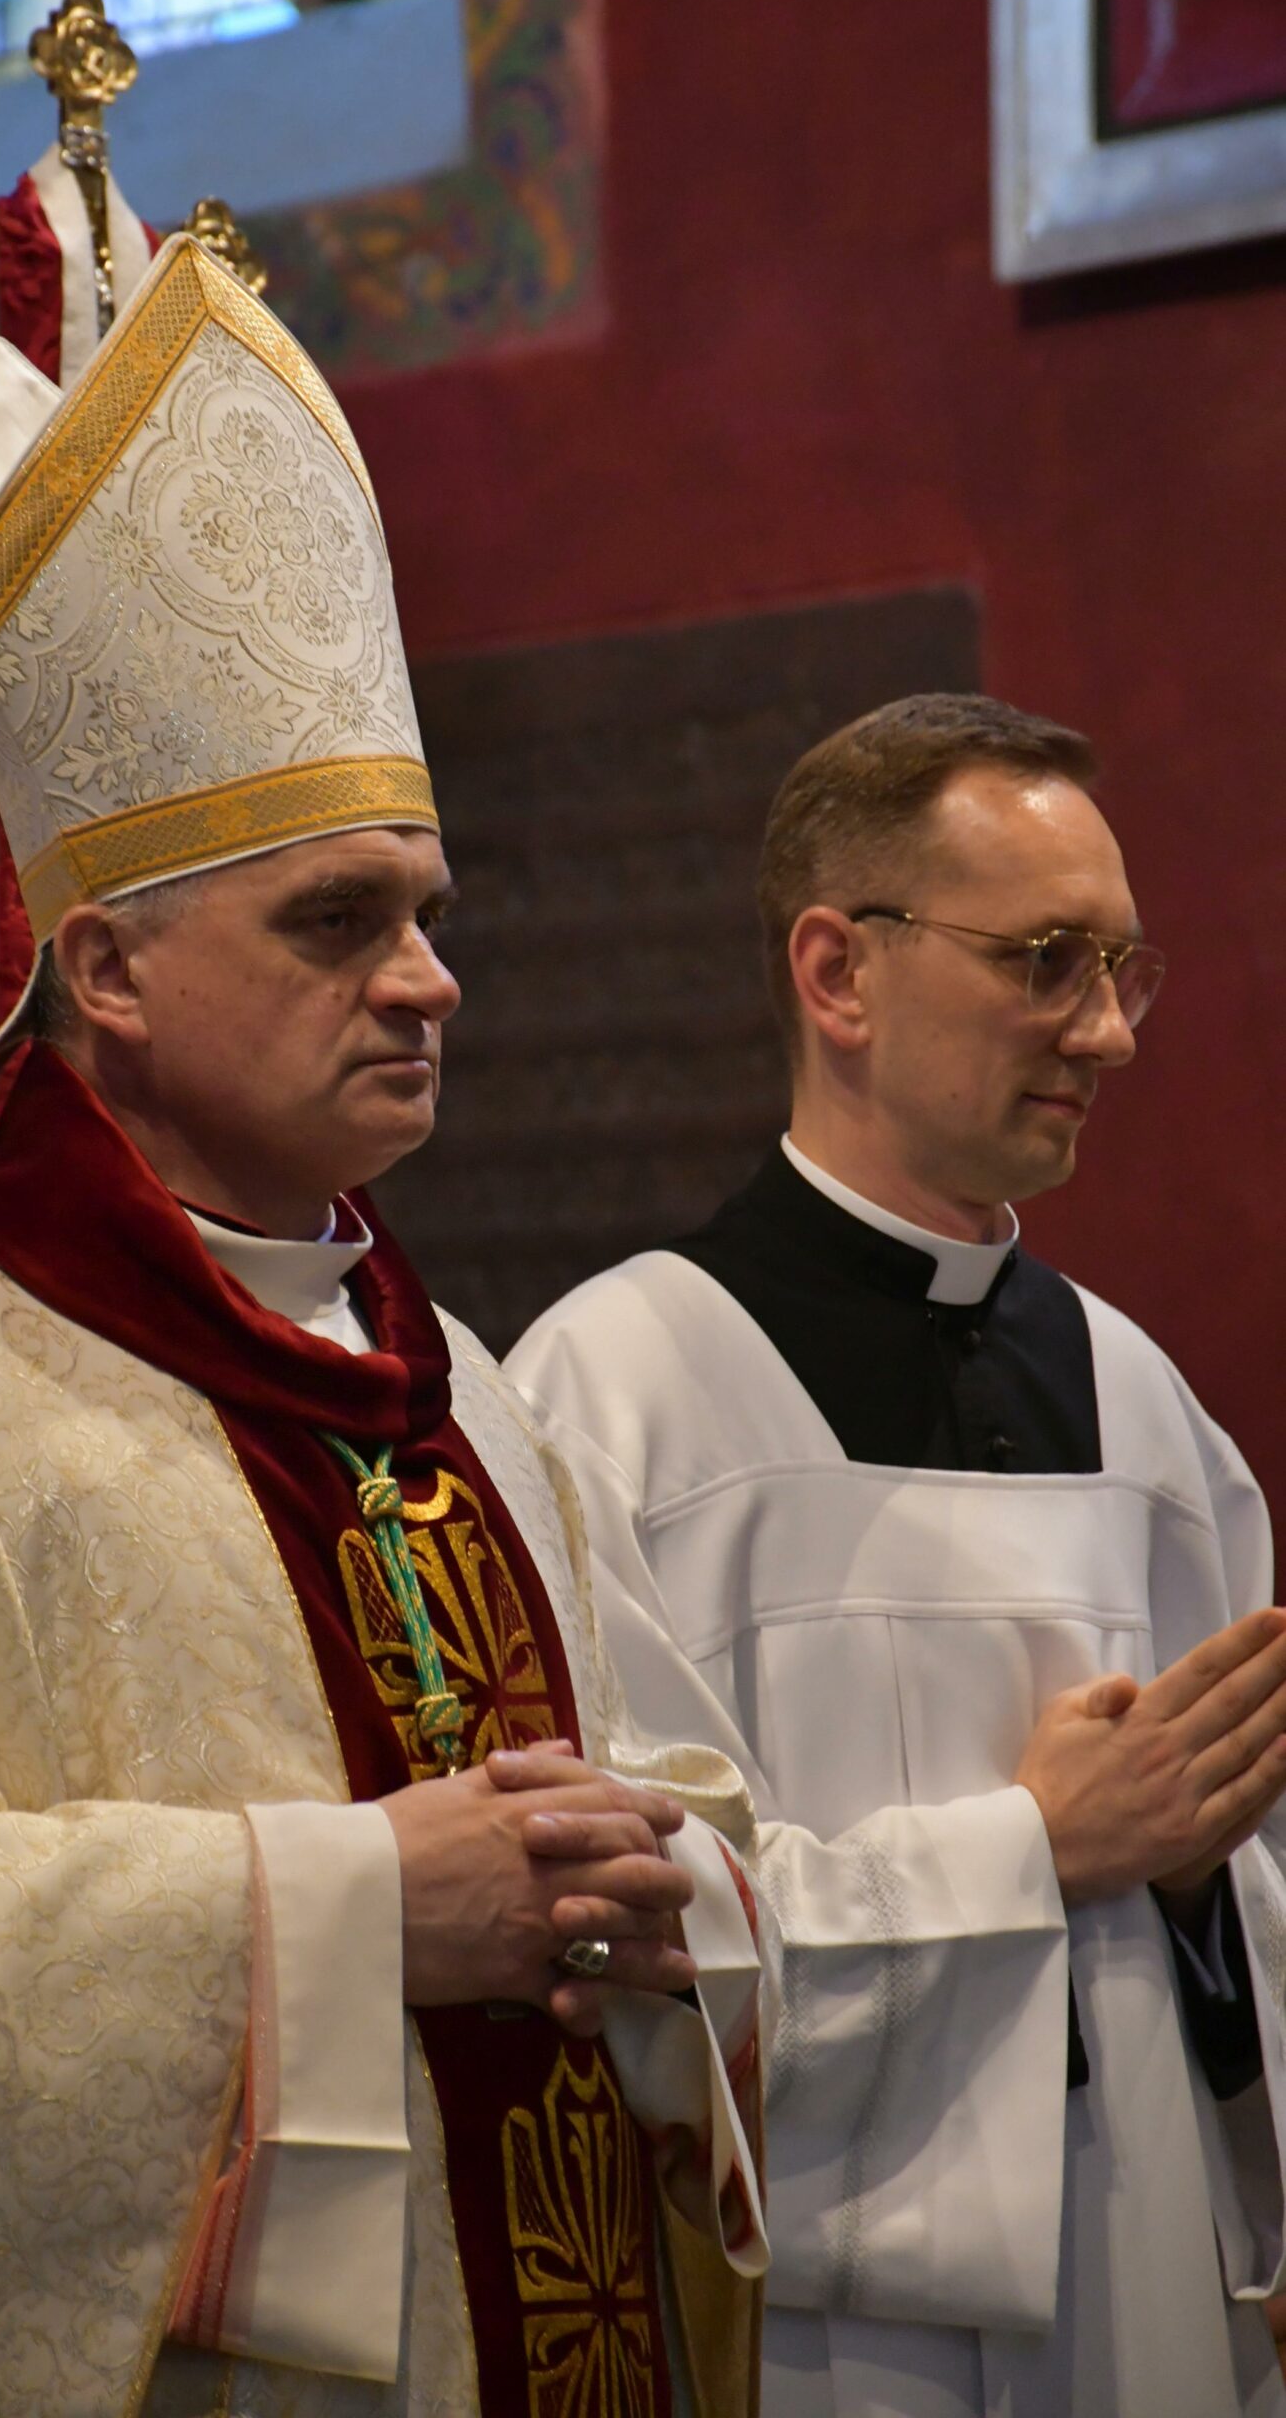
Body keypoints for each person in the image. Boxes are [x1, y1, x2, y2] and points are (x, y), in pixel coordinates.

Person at [0, 229, 767, 2417]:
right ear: (108, 968)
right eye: (338, 920)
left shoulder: (460, 1388)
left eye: (429, 913)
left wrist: (668, 1881)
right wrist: (354, 1908)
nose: (428, 978)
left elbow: (671, 1794)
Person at [507, 694, 1286, 2418]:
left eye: (1124, 971)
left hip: (1142, 2287)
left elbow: (1257, 1904)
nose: (1110, 1033)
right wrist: (1034, 1850)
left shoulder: (1148, 1414)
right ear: (838, 973)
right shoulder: (616, 1397)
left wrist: (1192, 1882)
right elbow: (614, 1942)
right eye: (1047, 963)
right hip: (817, 2340)